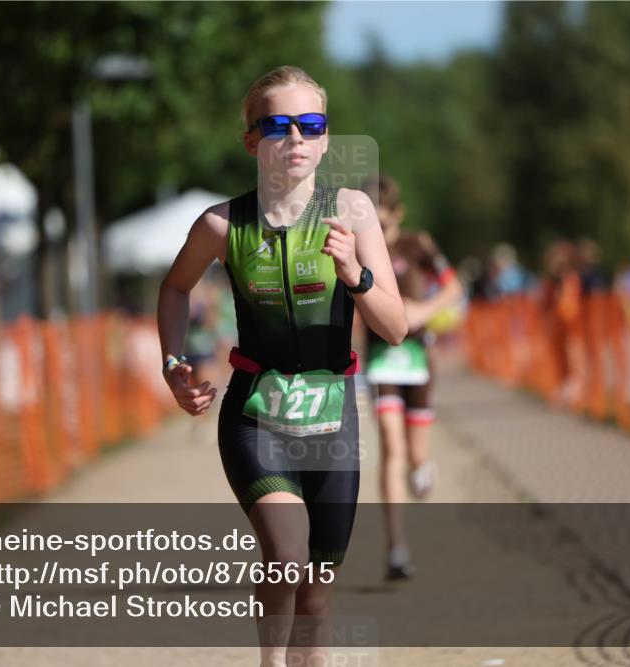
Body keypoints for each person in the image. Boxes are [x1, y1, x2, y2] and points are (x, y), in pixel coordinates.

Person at [157, 66, 407, 666]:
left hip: (332, 418)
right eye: (278, 125)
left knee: (317, 596)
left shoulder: (353, 212)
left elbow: (395, 326)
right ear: (251, 140)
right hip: (255, 413)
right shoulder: (221, 224)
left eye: (310, 125)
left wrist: (357, 275)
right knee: (287, 556)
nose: (295, 138)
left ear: (325, 140)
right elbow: (174, 289)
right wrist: (173, 363)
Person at [362, 173, 462, 579]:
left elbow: (453, 288)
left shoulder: (417, 245)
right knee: (390, 443)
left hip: (418, 360)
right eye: (368, 223)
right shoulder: (357, 247)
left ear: (397, 215)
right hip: (380, 358)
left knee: (416, 456)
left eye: (382, 224)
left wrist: (423, 311)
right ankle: (396, 547)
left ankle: (424, 468)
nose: (377, 233)